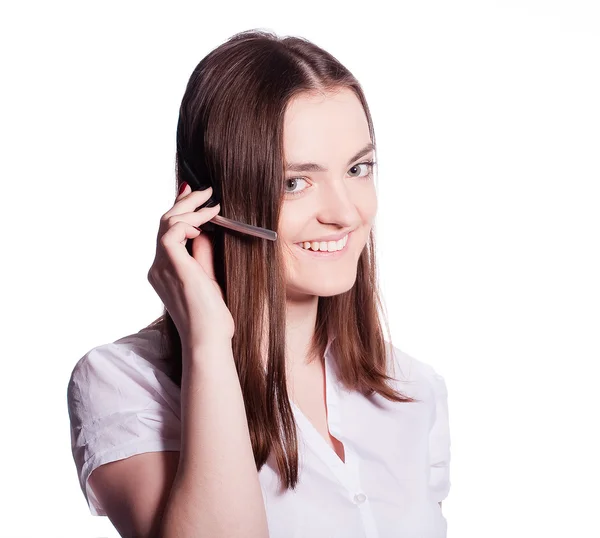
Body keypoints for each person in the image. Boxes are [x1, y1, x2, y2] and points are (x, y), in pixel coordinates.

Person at [66, 29, 451, 538]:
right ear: (203, 204)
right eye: (295, 182)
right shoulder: (125, 384)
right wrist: (208, 342)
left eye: (358, 168)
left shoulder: (413, 390)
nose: (345, 213)